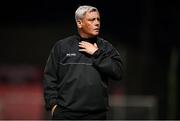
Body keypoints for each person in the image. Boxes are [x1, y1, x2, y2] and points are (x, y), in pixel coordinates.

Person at [43, 5, 123, 120]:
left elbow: (118, 72)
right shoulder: (62, 47)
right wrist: (53, 106)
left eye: (98, 19)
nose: (97, 23)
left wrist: (97, 54)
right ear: (79, 23)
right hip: (66, 115)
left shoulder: (105, 47)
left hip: (96, 115)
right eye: (92, 20)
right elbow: (50, 78)